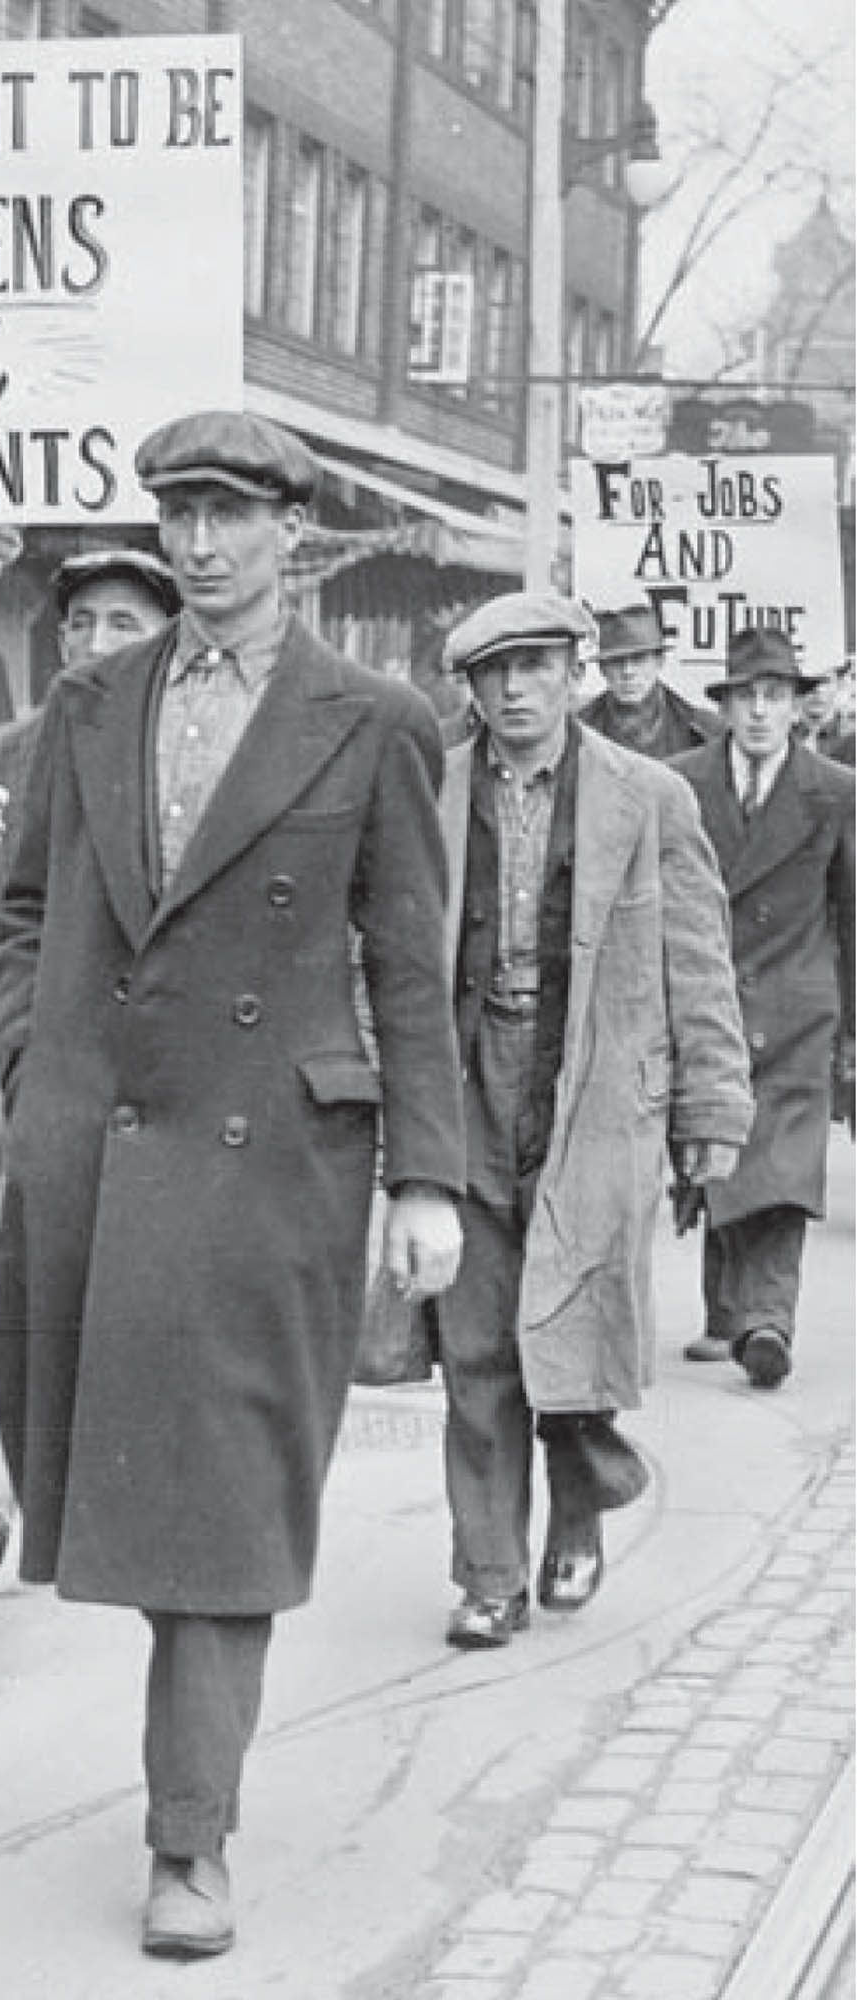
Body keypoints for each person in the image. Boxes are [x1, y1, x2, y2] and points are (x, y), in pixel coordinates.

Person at [0, 411, 466, 1959]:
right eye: (177, 512)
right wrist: (27, 1074)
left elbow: (410, 964)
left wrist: (429, 1179)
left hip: (273, 1163)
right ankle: (185, 1799)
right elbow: (25, 907)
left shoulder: (373, 720)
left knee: (226, 1509)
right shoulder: (90, 701)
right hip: (105, 1152)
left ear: (292, 536)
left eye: (230, 515)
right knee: (114, 1488)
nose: (199, 543)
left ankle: (188, 1839)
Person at [433, 593, 753, 1650]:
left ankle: (577, 1506)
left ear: (574, 673)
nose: (515, 688)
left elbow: (698, 959)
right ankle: (487, 1572)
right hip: (469, 1083)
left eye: (535, 666)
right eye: (495, 672)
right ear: (471, 687)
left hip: (604, 1091)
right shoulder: (430, 789)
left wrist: (710, 1105)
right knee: (476, 1343)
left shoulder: (647, 795)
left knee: (570, 1329)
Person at [0, 547, 180, 1656]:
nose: (96, 643)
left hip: (160, 1108)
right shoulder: (1, 764)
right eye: (79, 624)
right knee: (2, 1315)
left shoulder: (197, 770)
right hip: (17, 1105)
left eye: (123, 622)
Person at [671, 626, 855, 1387]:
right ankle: (728, 1312)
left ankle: (766, 1320)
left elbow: (851, 915)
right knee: (718, 1150)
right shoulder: (679, 784)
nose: (758, 713)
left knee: (780, 1171)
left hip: (797, 1012)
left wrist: (852, 1028)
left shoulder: (837, 792)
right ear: (725, 706)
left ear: (797, 707)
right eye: (745, 696)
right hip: (707, 1005)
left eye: (773, 696)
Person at [578, 600, 720, 759]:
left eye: (638, 659)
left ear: (659, 661)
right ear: (602, 668)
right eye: (616, 661)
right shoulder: (577, 730)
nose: (627, 672)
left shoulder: (703, 731)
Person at [794, 660, 856, 767]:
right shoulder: (783, 735)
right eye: (809, 681)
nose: (818, 690)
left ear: (839, 684)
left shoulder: (851, 737)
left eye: (825, 681)